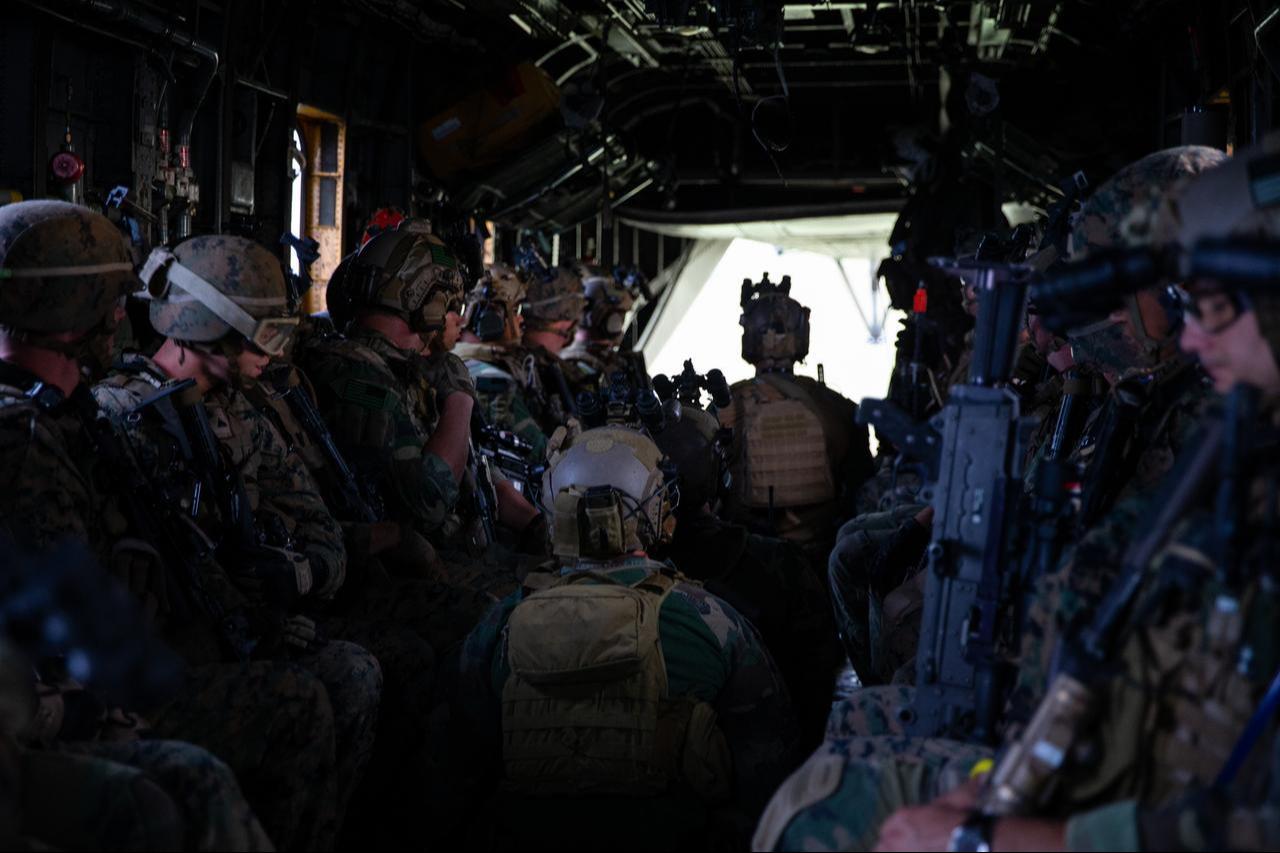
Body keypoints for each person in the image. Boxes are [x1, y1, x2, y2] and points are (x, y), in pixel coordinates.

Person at [0, 200, 341, 850]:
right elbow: (75, 633)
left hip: (94, 680)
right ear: (80, 318)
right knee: (296, 703)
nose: (117, 323)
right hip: (74, 705)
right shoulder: (29, 438)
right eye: (109, 306)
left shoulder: (65, 417)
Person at [458, 424, 797, 850]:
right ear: (656, 510)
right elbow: (769, 767)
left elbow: (460, 768)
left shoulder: (500, 625)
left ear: (552, 507)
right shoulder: (712, 622)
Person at [718, 273, 874, 561]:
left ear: (749, 338)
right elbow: (861, 486)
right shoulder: (837, 406)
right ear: (802, 336)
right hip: (821, 558)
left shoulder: (727, 404)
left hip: (750, 558)